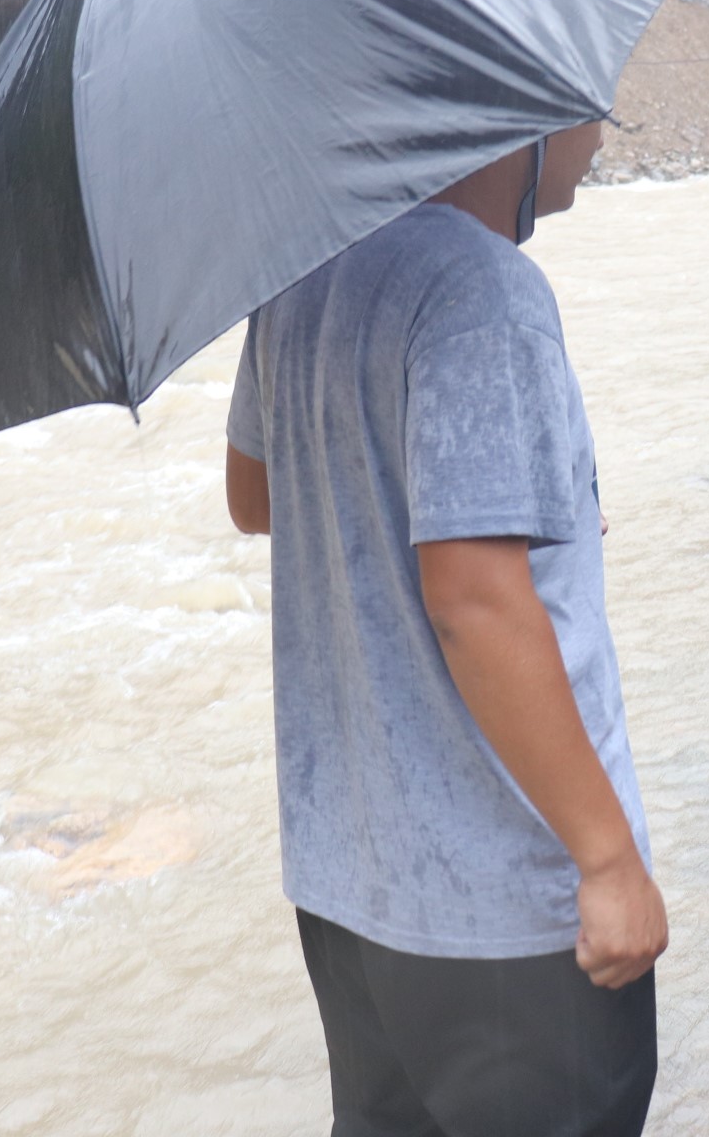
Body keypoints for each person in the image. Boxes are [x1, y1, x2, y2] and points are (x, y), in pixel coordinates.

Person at [224, 121, 663, 1137]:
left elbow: (256, 496)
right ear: (518, 115)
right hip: (504, 912)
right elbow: (472, 598)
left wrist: (483, 485)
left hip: (353, 886)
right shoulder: (484, 288)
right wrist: (606, 861)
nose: (601, 132)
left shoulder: (305, 266)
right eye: (590, 105)